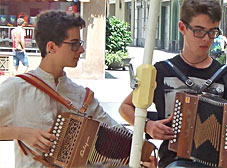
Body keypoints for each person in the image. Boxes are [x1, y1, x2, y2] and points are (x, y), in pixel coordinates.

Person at [0, 10, 156, 168]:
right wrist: (20, 133)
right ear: (51, 47)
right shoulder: (17, 88)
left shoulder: (82, 96)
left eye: (80, 44)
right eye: (74, 44)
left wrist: (141, 154)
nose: (81, 50)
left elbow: (115, 129)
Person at [119, 0, 227, 168]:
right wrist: (148, 126)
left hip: (218, 163)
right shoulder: (162, 71)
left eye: (212, 32)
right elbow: (125, 108)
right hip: (173, 160)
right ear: (182, 28)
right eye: (199, 31)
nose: (207, 39)